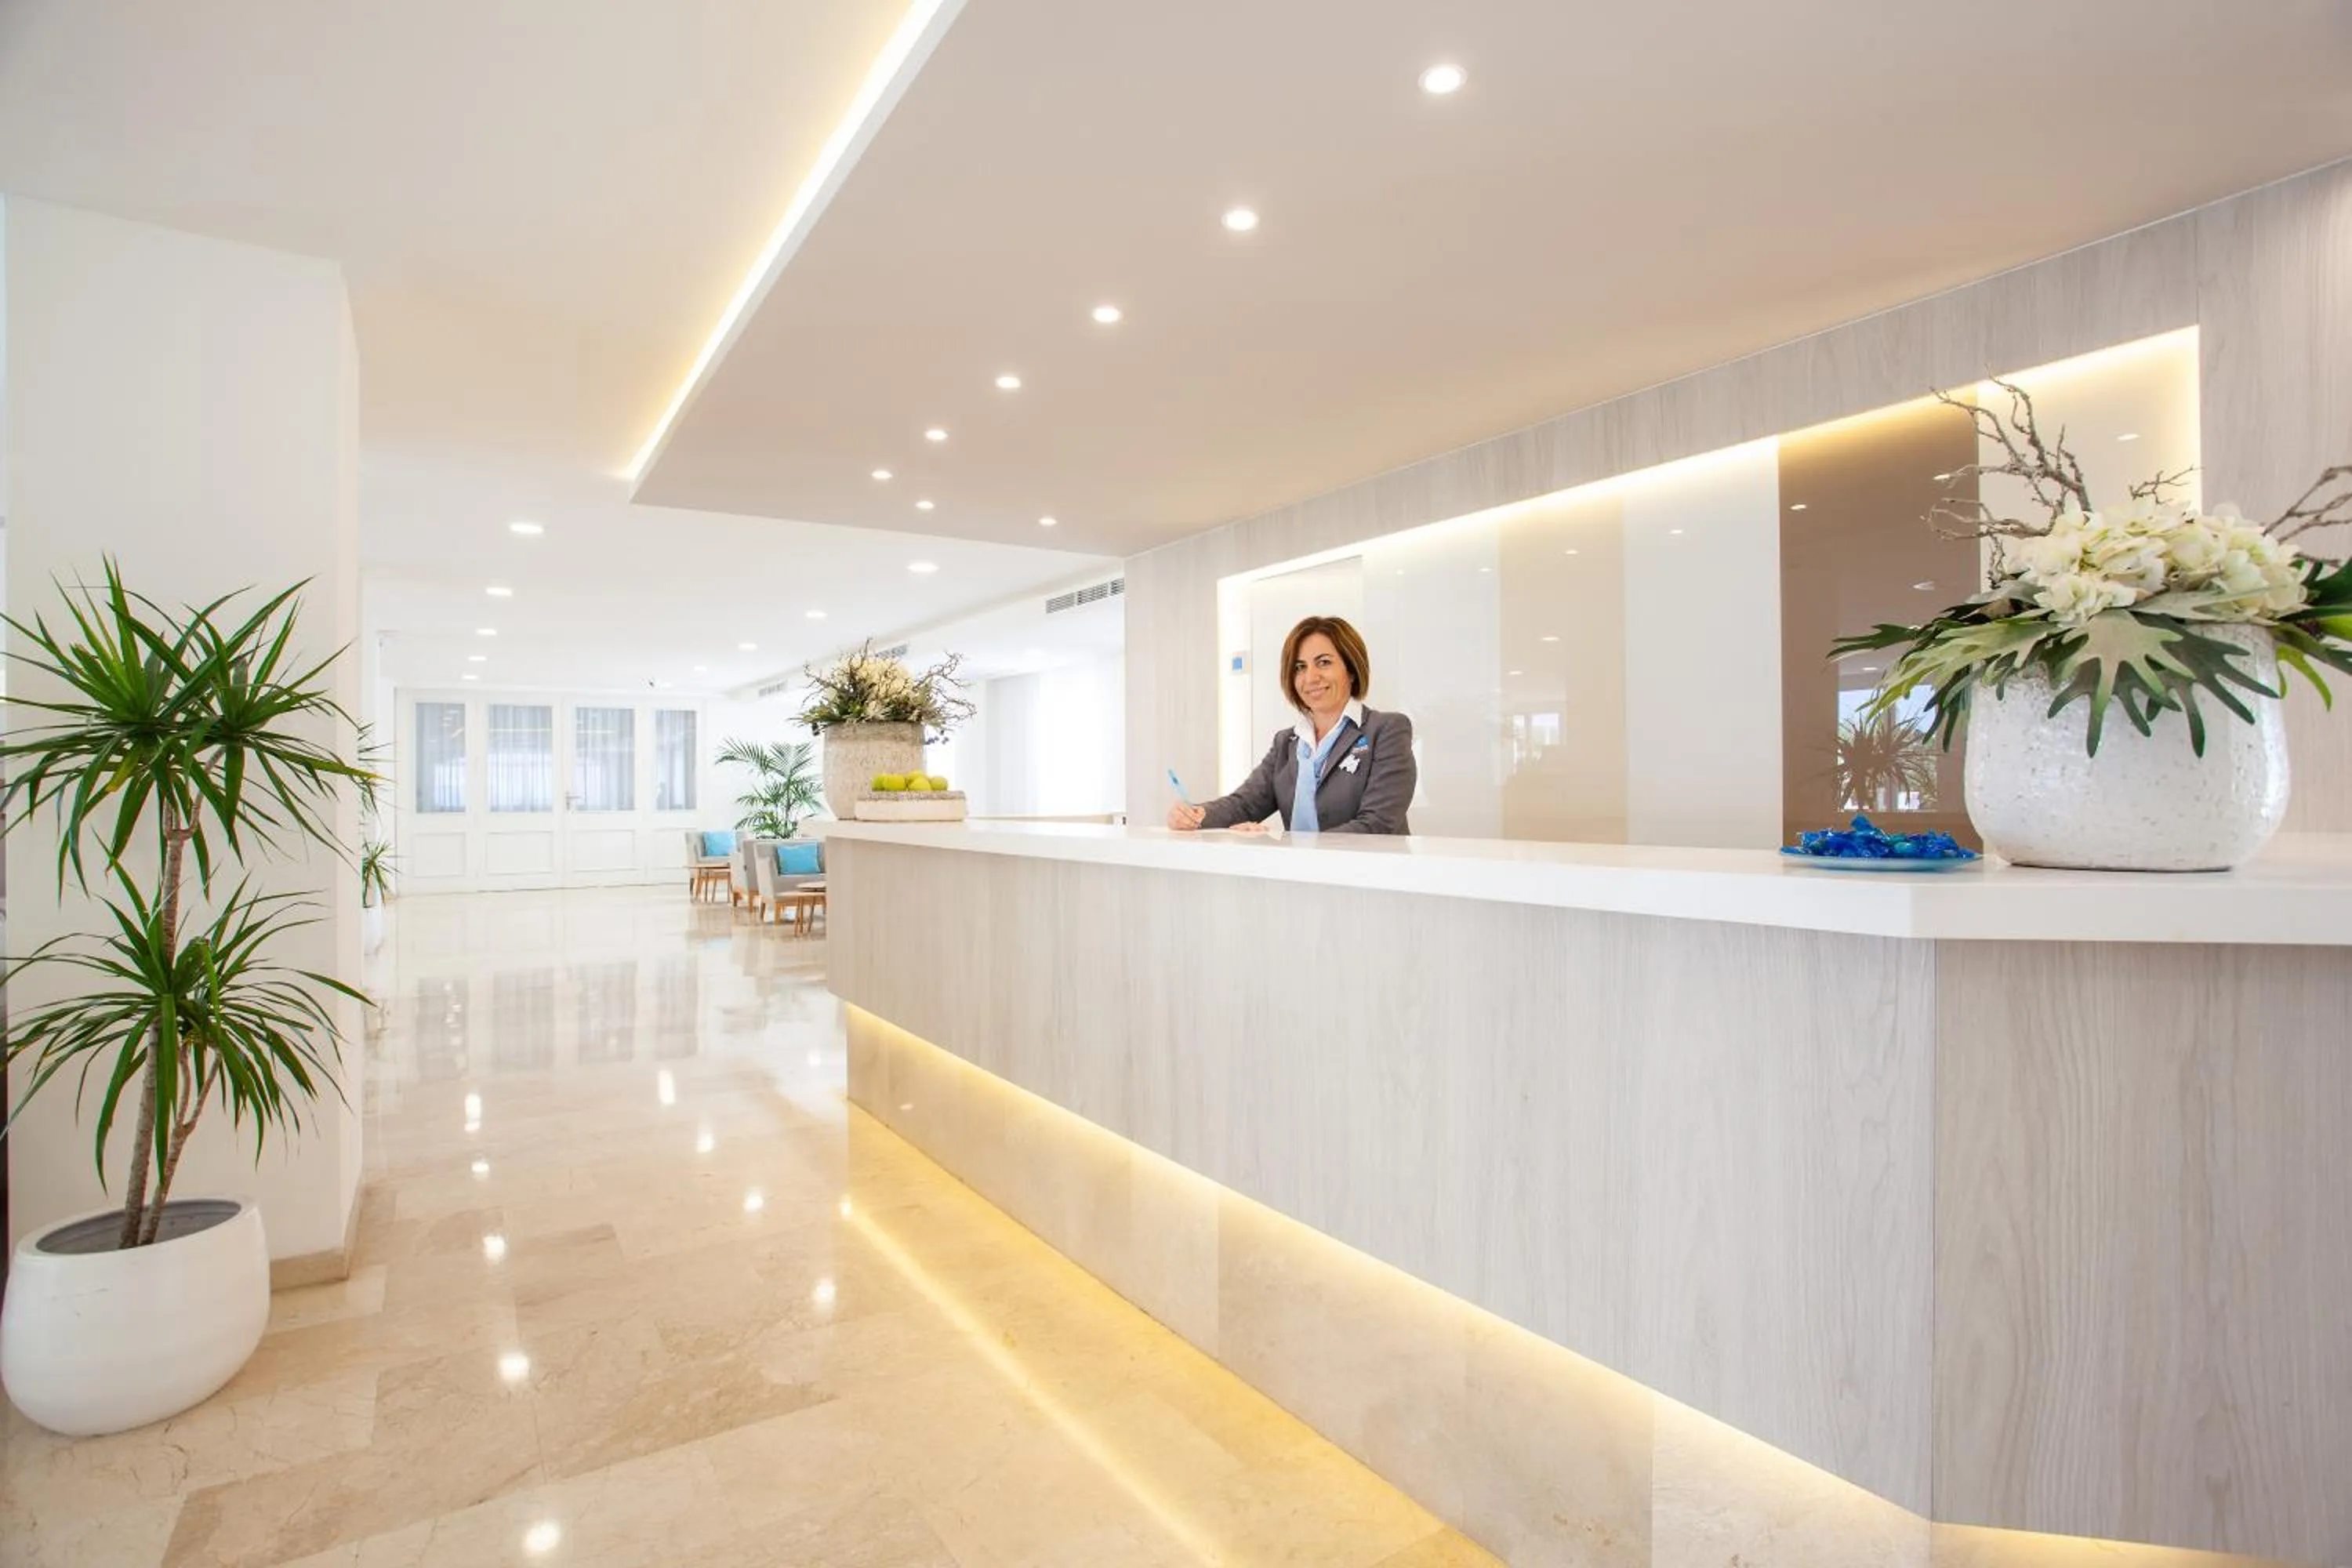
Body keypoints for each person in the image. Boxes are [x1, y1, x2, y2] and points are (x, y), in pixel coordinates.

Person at [1169, 615, 1416, 836]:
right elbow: (1245, 804)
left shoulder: (1386, 730)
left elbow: (1378, 824)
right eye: (1300, 667)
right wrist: (1198, 815)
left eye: (1324, 663)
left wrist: (1282, 843)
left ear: (1351, 670)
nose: (1311, 678)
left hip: (1368, 879)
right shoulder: (1287, 742)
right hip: (1301, 880)